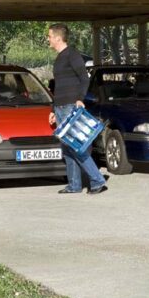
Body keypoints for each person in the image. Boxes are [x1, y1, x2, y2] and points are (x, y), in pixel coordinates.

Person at [47, 24, 108, 195]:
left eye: (50, 36)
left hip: (70, 107)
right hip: (60, 107)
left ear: (58, 38)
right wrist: (53, 109)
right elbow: (58, 87)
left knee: (76, 146)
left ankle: (97, 181)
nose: (48, 39)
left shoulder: (72, 55)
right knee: (67, 148)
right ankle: (74, 185)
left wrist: (80, 99)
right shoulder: (59, 58)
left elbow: (84, 78)